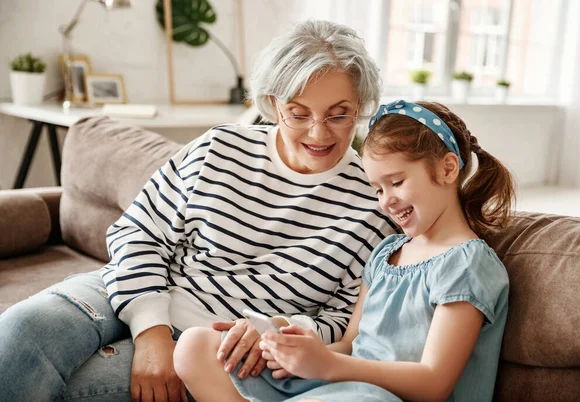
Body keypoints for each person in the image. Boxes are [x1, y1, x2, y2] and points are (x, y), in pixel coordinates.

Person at [0, 20, 396, 402]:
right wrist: (151, 332)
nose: (318, 132)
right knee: (21, 331)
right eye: (299, 112)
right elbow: (139, 230)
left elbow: (344, 322)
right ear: (274, 104)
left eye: (338, 114)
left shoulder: (375, 203)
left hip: (213, 351)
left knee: (71, 387)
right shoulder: (221, 147)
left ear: (360, 107)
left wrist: (275, 330)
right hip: (131, 288)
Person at [174, 99, 515, 402]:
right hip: (343, 385)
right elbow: (352, 345)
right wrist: (296, 351)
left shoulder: (467, 263)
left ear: (448, 168)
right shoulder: (387, 253)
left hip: (385, 395)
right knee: (196, 346)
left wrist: (329, 365)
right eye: (377, 189)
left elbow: (433, 383)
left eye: (396, 182)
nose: (387, 201)